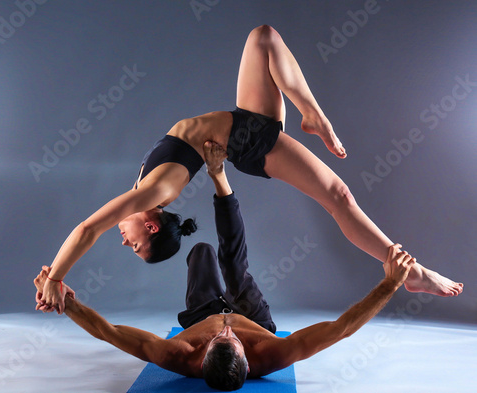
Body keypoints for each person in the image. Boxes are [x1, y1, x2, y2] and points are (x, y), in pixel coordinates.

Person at [37, 24, 462, 314]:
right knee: (338, 198)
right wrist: (57, 277)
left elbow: (86, 231)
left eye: (130, 246)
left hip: (244, 121)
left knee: (263, 37)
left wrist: (52, 276)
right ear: (151, 227)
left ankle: (312, 113)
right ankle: (411, 270)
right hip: (247, 142)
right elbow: (87, 230)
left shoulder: (144, 190)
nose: (124, 241)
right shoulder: (155, 195)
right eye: (135, 246)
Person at [35, 142, 417, 391]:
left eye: (223, 339)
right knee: (234, 268)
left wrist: (67, 303)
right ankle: (221, 177)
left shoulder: (179, 353)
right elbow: (341, 329)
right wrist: (390, 284)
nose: (229, 330)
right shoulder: (271, 353)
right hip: (256, 316)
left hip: (201, 312)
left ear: (201, 358)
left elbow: (110, 332)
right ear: (248, 361)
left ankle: (219, 182)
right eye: (230, 340)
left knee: (201, 250)